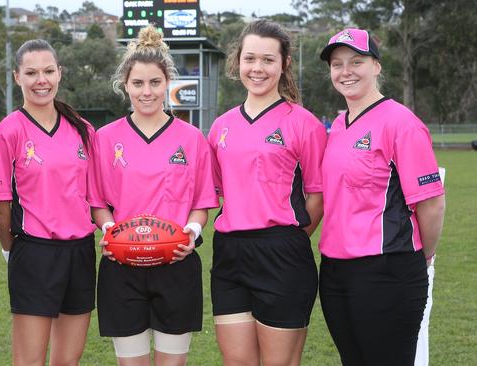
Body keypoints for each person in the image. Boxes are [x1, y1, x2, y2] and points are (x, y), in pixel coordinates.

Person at [89, 25, 219, 366]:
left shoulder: (191, 139)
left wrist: (190, 234)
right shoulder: (104, 138)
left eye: (155, 83)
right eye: (138, 83)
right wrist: (110, 233)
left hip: (175, 263)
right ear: (125, 86)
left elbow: (202, 203)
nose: (146, 92)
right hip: (122, 266)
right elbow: (98, 203)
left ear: (167, 84)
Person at [318, 28, 446, 365]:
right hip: (334, 272)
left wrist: (424, 255)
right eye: (337, 64)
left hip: (388, 269)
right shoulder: (338, 125)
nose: (346, 71)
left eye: (356, 61)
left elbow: (431, 203)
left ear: (376, 66)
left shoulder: (401, 123)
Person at [207, 20, 326, 366]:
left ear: (284, 64)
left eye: (268, 60)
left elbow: (317, 196)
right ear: (238, 62)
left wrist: (286, 238)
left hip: (283, 254)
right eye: (250, 59)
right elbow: (216, 192)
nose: (257, 68)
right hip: (229, 255)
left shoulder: (305, 124)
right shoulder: (221, 126)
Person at [0, 39, 97, 366]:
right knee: (29, 361)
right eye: (32, 72)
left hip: (81, 251)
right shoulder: (8, 131)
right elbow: (0, 202)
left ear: (60, 74)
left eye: (49, 71)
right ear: (16, 77)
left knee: (67, 360)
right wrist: (11, 249)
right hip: (34, 254)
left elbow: (95, 196)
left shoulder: (83, 130)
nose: (42, 80)